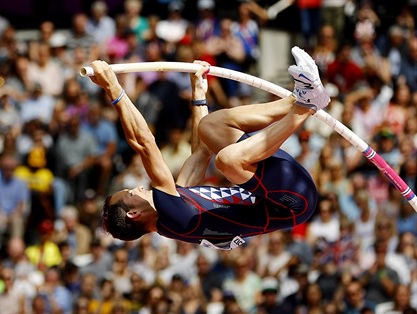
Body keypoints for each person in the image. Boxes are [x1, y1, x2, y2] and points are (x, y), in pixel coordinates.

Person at [93, 46, 329, 249]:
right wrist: (114, 89)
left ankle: (298, 98)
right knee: (227, 161)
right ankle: (305, 106)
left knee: (210, 126)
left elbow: (201, 152)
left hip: (279, 186)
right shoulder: (175, 218)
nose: (135, 188)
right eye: (129, 194)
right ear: (133, 214)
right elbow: (144, 144)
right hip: (292, 203)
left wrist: (198, 93)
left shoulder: (179, 203)